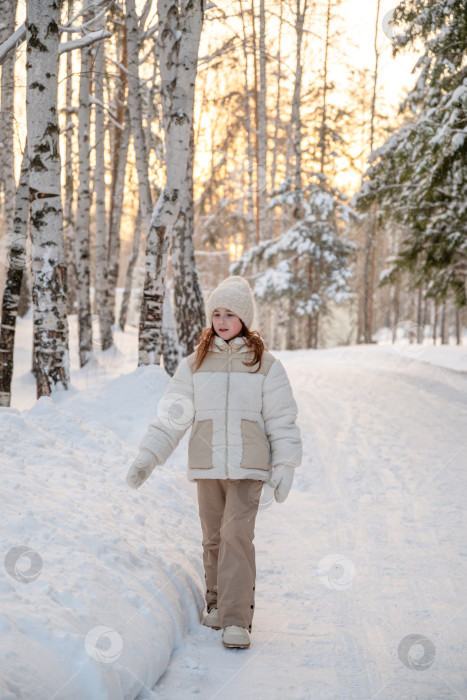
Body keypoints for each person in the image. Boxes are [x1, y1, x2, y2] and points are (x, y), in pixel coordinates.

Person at [126, 276, 302, 649]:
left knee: (237, 535)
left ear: (245, 319)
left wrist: (285, 463)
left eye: (230, 314)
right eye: (216, 313)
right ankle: (219, 604)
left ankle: (238, 620)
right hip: (208, 466)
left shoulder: (265, 366)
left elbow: (282, 420)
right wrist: (149, 455)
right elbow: (172, 417)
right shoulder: (194, 364)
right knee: (214, 538)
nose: (221, 321)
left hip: (248, 466)